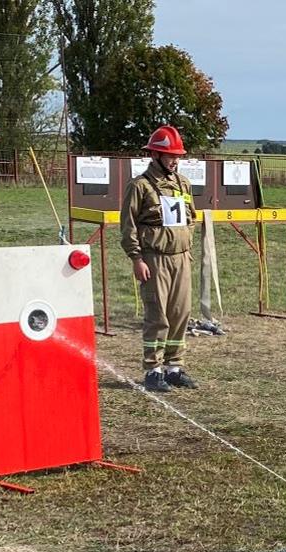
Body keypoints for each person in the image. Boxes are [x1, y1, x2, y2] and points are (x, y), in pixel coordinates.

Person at [121, 124, 198, 393]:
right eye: (170, 156)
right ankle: (153, 370)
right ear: (154, 155)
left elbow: (191, 218)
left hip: (181, 258)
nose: (175, 161)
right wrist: (136, 258)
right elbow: (128, 225)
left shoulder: (183, 183)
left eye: (178, 156)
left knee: (181, 313)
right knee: (158, 315)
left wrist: (186, 250)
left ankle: (174, 368)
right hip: (154, 260)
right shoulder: (139, 186)